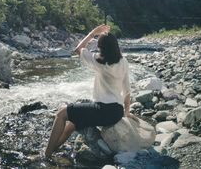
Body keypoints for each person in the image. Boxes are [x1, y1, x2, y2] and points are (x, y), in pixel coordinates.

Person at [45, 23, 136, 158]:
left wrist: (93, 32)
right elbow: (127, 90)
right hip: (116, 112)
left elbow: (78, 49)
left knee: (61, 113)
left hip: (103, 110)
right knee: (72, 123)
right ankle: (53, 150)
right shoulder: (123, 62)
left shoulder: (99, 62)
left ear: (101, 48)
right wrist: (126, 113)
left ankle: (45, 155)